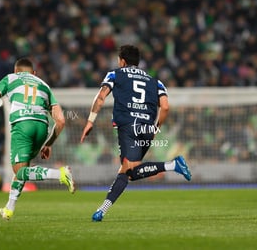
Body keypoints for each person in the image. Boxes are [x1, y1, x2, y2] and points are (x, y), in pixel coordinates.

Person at [80, 44, 192, 222]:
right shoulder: (156, 81)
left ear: (122, 61)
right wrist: (156, 128)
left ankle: (172, 165)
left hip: (128, 126)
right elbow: (165, 106)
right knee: (128, 172)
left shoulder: (115, 74)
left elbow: (101, 97)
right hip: (147, 128)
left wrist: (90, 121)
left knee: (128, 171)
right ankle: (101, 211)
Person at [0, 57, 75, 220]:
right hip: (42, 127)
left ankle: (59, 174)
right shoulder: (44, 85)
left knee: (20, 170)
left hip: (22, 125)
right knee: (23, 170)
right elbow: (61, 121)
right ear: (34, 73)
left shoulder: (10, 78)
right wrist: (48, 144)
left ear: (16, 71)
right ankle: (9, 208)